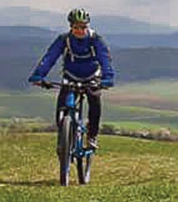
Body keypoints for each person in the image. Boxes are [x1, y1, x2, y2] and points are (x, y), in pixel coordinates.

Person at [28, 8, 115, 150]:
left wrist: (108, 78)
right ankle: (64, 139)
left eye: (83, 27)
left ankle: (92, 136)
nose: (80, 30)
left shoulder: (95, 40)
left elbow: (105, 58)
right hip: (71, 75)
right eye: (76, 27)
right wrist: (39, 75)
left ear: (88, 25)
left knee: (94, 100)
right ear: (71, 26)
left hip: (92, 76)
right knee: (62, 106)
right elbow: (50, 57)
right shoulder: (64, 39)